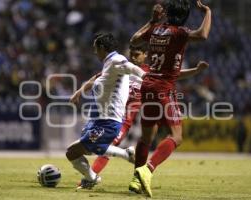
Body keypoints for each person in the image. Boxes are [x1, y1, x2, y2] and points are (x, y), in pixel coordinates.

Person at [72, 43, 209, 177]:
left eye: (137, 55)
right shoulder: (121, 67)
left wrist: (195, 71)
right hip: (115, 113)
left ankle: (131, 176)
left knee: (124, 143)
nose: (133, 58)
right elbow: (97, 78)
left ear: (145, 55)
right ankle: (96, 174)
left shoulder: (150, 71)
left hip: (131, 114)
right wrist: (80, 91)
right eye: (131, 54)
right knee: (106, 145)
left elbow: (174, 75)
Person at [128, 0, 212, 197]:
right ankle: (147, 169)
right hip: (163, 88)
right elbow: (203, 34)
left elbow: (133, 41)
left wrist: (151, 20)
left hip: (147, 85)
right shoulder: (180, 32)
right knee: (176, 136)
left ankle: (135, 180)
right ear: (184, 17)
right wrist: (208, 12)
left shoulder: (156, 29)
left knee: (147, 137)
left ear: (167, 14)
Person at [66, 33, 147, 190]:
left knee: (86, 148)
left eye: (95, 48)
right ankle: (94, 176)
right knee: (72, 152)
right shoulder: (108, 64)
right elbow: (96, 78)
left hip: (109, 121)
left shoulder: (117, 60)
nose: (94, 52)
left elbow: (130, 67)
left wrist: (146, 76)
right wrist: (79, 92)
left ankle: (122, 157)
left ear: (102, 48)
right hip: (97, 120)